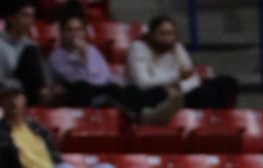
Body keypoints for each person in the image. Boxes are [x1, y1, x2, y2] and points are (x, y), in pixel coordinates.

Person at [0, 80, 120, 168]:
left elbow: (56, 158)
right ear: (1, 102)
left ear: (24, 99)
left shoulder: (38, 128)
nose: (12, 101)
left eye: (16, 95)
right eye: (7, 97)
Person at [48, 12, 182, 123]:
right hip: (83, 94)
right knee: (84, 88)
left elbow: (105, 76)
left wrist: (86, 54)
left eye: (78, 30)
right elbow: (79, 80)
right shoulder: (56, 56)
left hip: (105, 89)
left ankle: (156, 109)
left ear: (84, 32)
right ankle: (140, 115)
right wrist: (83, 57)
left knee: (131, 90)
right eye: (69, 30)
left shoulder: (92, 50)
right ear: (61, 33)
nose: (74, 35)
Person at [126, 15, 238, 109]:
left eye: (170, 34)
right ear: (152, 34)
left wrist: (195, 78)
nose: (166, 38)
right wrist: (176, 77)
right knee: (205, 95)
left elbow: (188, 74)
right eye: (162, 33)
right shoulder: (138, 48)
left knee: (226, 83)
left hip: (181, 90)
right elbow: (142, 84)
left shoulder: (177, 47)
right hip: (155, 94)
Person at [0, 0, 60, 105]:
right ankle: (44, 97)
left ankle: (44, 96)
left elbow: (43, 77)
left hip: (32, 91)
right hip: (11, 92)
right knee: (30, 51)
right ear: (11, 18)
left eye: (32, 16)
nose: (30, 21)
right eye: (25, 15)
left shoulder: (30, 43)